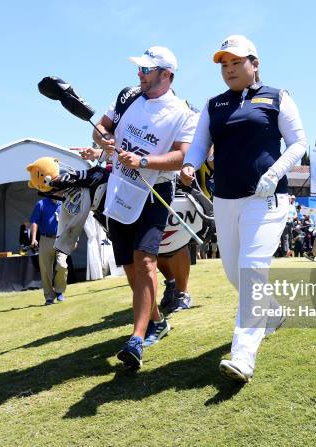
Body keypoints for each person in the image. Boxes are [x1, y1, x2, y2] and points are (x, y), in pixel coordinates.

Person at [180, 35, 306, 382]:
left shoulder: (278, 97)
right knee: (235, 274)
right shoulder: (214, 104)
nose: (230, 69)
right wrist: (190, 165)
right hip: (225, 198)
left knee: (251, 270)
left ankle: (243, 355)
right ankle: (274, 312)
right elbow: (199, 144)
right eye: (224, 64)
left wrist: (275, 172)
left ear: (255, 63)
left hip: (267, 198)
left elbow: (299, 143)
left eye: (236, 62)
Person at [92, 45, 197, 369]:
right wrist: (104, 140)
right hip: (118, 189)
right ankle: (156, 321)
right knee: (129, 266)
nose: (139, 74)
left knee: (146, 260)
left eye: (146, 70)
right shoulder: (127, 96)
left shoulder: (183, 113)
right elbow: (101, 128)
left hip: (154, 193)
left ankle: (137, 338)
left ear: (166, 75)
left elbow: (183, 156)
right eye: (139, 68)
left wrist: (144, 160)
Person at [29, 197, 65, 305]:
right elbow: (34, 221)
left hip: (61, 239)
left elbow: (71, 220)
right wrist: (34, 238)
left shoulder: (64, 202)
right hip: (45, 239)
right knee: (45, 270)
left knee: (62, 265)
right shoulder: (41, 204)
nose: (58, 192)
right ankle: (49, 296)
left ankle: (59, 291)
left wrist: (74, 239)